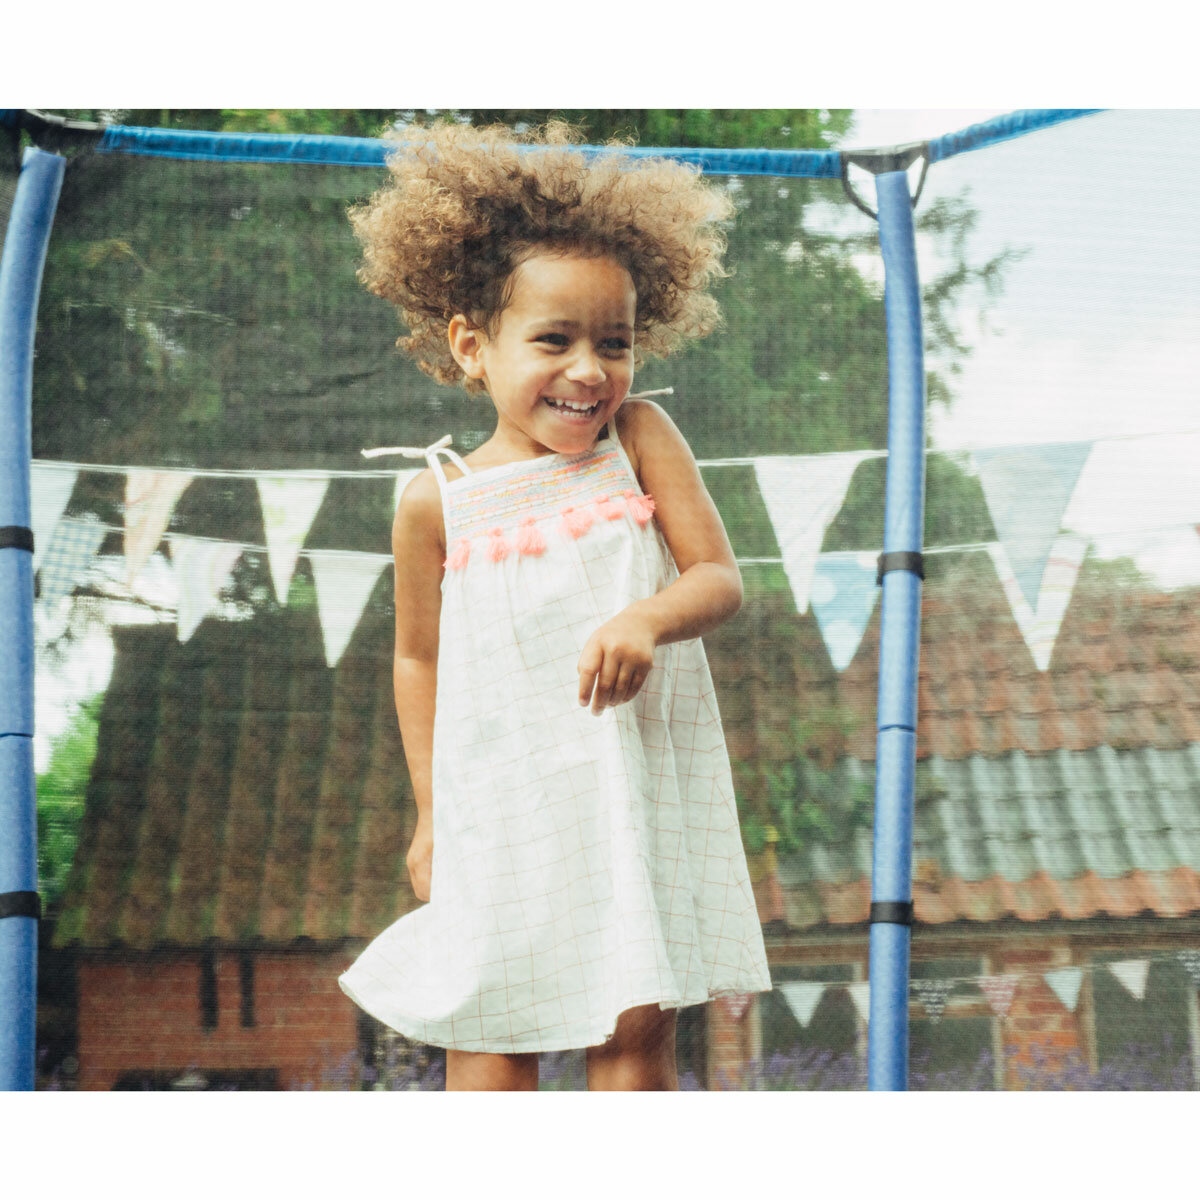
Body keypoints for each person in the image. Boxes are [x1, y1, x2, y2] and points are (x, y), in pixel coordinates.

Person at [339, 118, 771, 1091]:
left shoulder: (643, 437)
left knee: (632, 1035)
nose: (589, 370)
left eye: (613, 343)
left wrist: (644, 619)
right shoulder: (434, 501)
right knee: (492, 1034)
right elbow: (419, 660)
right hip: (499, 805)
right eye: (554, 339)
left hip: (629, 787)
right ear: (470, 347)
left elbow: (717, 577)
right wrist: (430, 813)